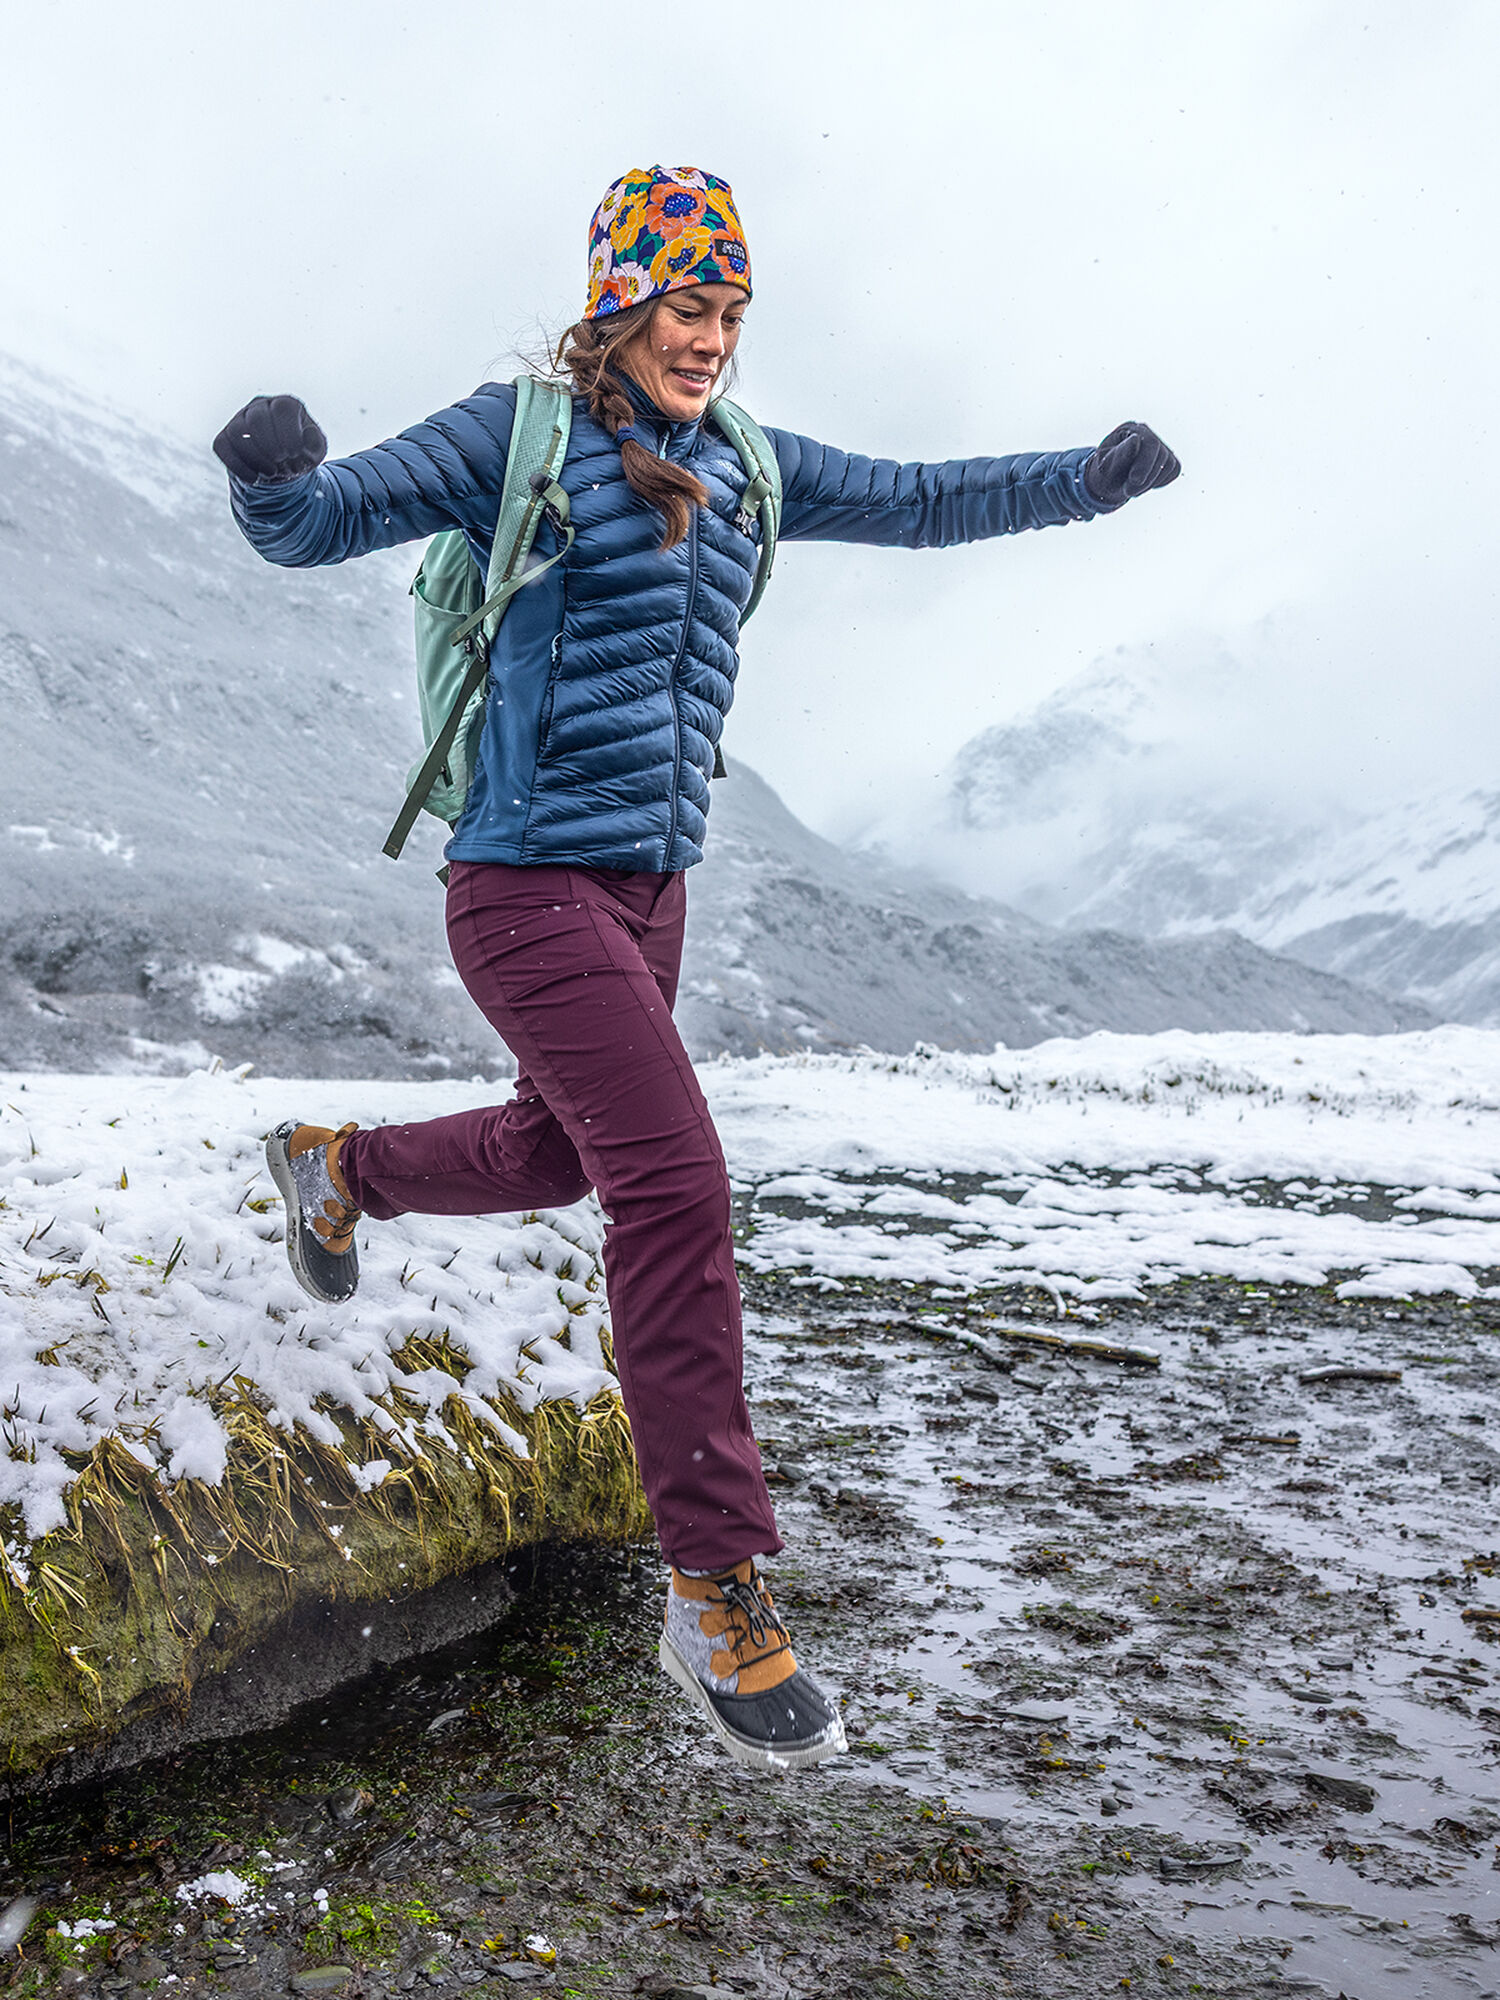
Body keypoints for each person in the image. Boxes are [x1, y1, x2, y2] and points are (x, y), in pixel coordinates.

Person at [213, 164, 1180, 1774]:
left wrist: (1082, 480)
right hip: (519, 882)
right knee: (671, 1185)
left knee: (552, 1153)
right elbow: (324, 522)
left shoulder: (745, 463)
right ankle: (715, 1584)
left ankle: (337, 1170)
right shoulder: (514, 436)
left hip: (653, 894)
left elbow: (926, 498)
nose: (713, 338)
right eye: (687, 306)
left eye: (732, 312)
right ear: (620, 304)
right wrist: (271, 478)